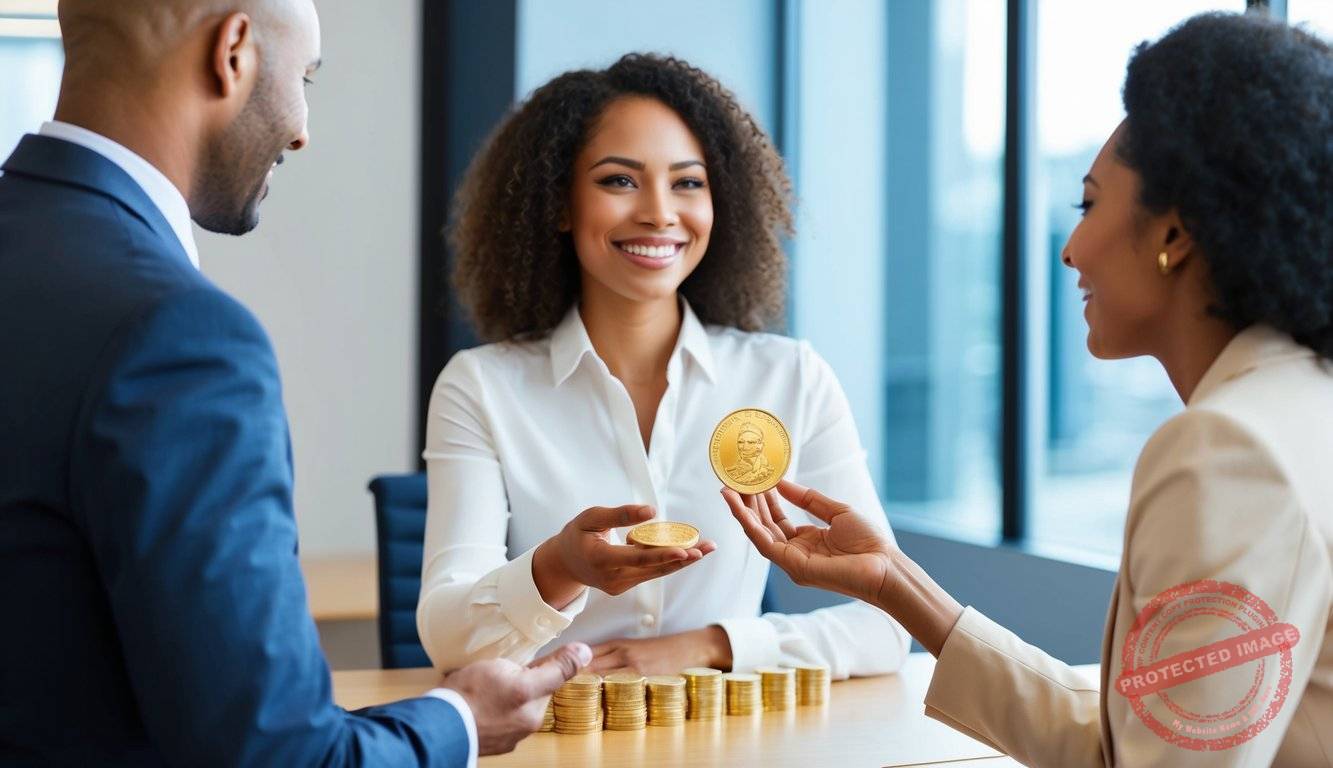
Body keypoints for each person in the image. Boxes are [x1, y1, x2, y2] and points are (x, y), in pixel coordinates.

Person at [724, 12, 1331, 767]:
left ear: (1173, 234)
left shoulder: (1227, 448)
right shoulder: (1301, 403)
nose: (1071, 250)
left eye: (1089, 204)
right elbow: (1133, 741)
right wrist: (894, 582)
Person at [0, 1, 587, 765]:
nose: (303, 129)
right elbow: (276, 754)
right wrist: (460, 722)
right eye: (303, 78)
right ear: (233, 52)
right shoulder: (178, 336)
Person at [417, 54, 911, 678]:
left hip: (732, 728)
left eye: (688, 183)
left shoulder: (792, 379)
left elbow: (889, 622)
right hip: (553, 727)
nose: (658, 212)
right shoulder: (481, 387)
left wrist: (714, 645)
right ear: (560, 203)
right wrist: (559, 567)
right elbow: (448, 640)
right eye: (619, 180)